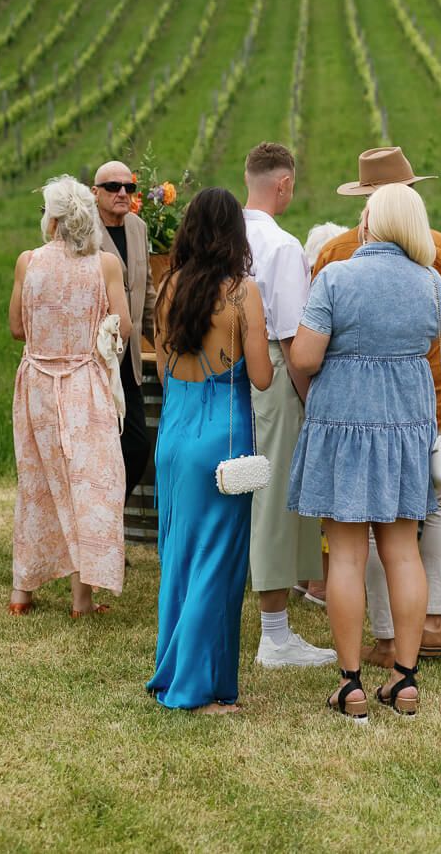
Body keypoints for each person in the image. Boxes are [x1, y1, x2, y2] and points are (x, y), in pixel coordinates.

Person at [290, 183, 441, 718]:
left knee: (347, 555)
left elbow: (305, 357)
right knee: (403, 552)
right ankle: (405, 679)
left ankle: (351, 682)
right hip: (404, 428)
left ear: (369, 223)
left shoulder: (336, 277)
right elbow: (429, 342)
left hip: (344, 425)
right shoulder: (431, 284)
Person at [313, 146, 441, 662]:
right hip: (426, 399)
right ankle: (429, 622)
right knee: (440, 506)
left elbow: (311, 339)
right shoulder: (437, 251)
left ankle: (383, 636)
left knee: (357, 525)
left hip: (347, 410)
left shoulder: (334, 254)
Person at [147, 188, 272, 712]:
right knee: (217, 564)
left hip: (174, 434)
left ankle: (178, 671)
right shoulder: (242, 293)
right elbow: (261, 377)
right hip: (222, 442)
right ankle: (193, 689)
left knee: (179, 557)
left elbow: (162, 369)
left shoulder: (168, 286)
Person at [8, 175, 131, 617]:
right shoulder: (105, 265)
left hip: (37, 383)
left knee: (36, 480)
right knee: (90, 485)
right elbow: (124, 326)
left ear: (53, 219)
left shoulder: (28, 261)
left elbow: (17, 328)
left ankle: (22, 592)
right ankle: (82, 599)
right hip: (84, 383)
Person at [243, 142, 335, 669]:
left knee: (239, 490)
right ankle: (274, 636)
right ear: (283, 185)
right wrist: (310, 399)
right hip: (274, 375)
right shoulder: (281, 245)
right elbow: (292, 340)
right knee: (275, 495)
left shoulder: (221, 231)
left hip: (220, 374)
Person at [91, 160, 157, 501]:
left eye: (128, 187)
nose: (122, 193)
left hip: (128, 362)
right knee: (100, 448)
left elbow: (146, 290)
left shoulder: (137, 226)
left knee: (137, 446)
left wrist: (162, 339)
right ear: (95, 192)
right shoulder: (84, 230)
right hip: (95, 361)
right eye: (112, 187)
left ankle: (109, 512)